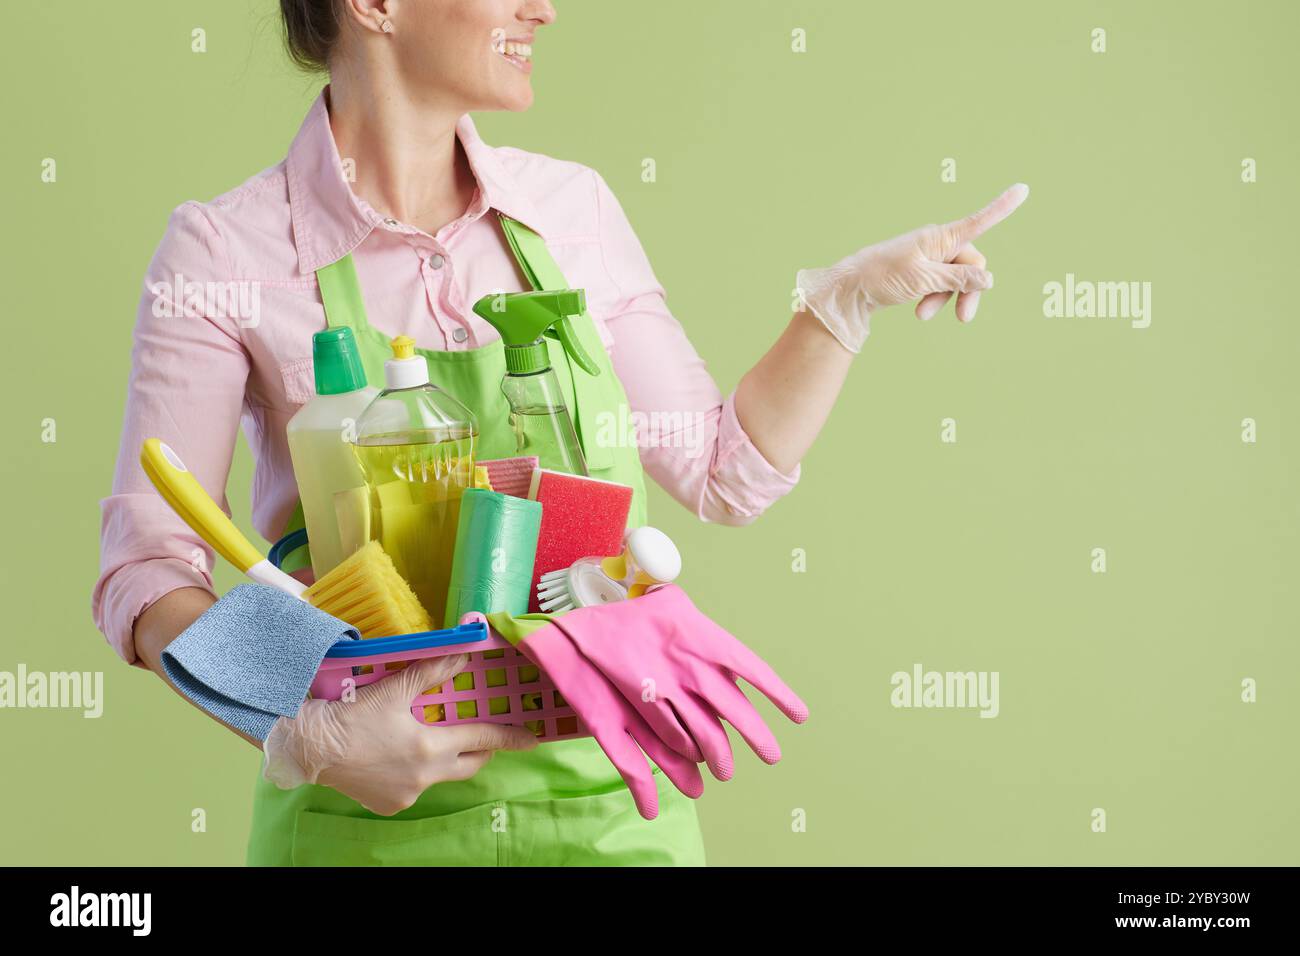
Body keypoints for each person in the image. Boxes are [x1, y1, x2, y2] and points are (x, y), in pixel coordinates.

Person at [93, 0, 1027, 866]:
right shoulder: (227, 252)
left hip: (613, 808)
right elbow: (147, 571)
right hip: (363, 825)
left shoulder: (569, 210)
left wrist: (843, 304)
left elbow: (722, 471)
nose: (541, 6)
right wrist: (304, 730)